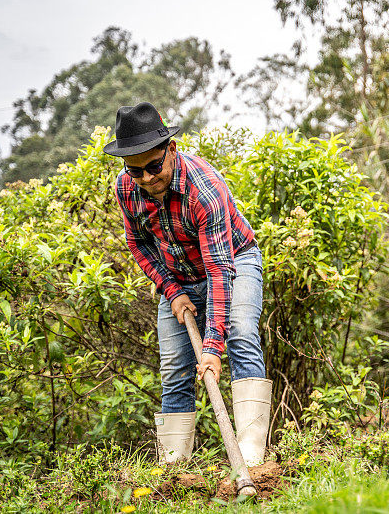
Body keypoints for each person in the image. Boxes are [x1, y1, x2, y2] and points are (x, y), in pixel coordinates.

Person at [105, 101, 272, 466]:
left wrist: (213, 346)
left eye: (153, 166)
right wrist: (172, 290)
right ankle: (174, 467)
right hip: (177, 277)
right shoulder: (125, 187)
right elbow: (138, 243)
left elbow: (218, 272)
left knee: (240, 334)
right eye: (136, 171)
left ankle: (252, 459)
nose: (146, 179)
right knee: (175, 367)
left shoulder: (204, 189)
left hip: (233, 262)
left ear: (171, 150)